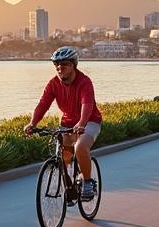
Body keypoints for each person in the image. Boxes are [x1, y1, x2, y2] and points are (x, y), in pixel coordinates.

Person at [24, 46, 103, 201]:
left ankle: (87, 182)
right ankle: (69, 187)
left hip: (89, 121)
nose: (59, 68)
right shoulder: (53, 84)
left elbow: (87, 105)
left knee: (80, 147)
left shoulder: (84, 82)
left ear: (73, 65)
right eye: (57, 65)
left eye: (64, 64)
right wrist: (32, 123)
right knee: (63, 158)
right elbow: (43, 105)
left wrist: (81, 122)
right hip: (67, 123)